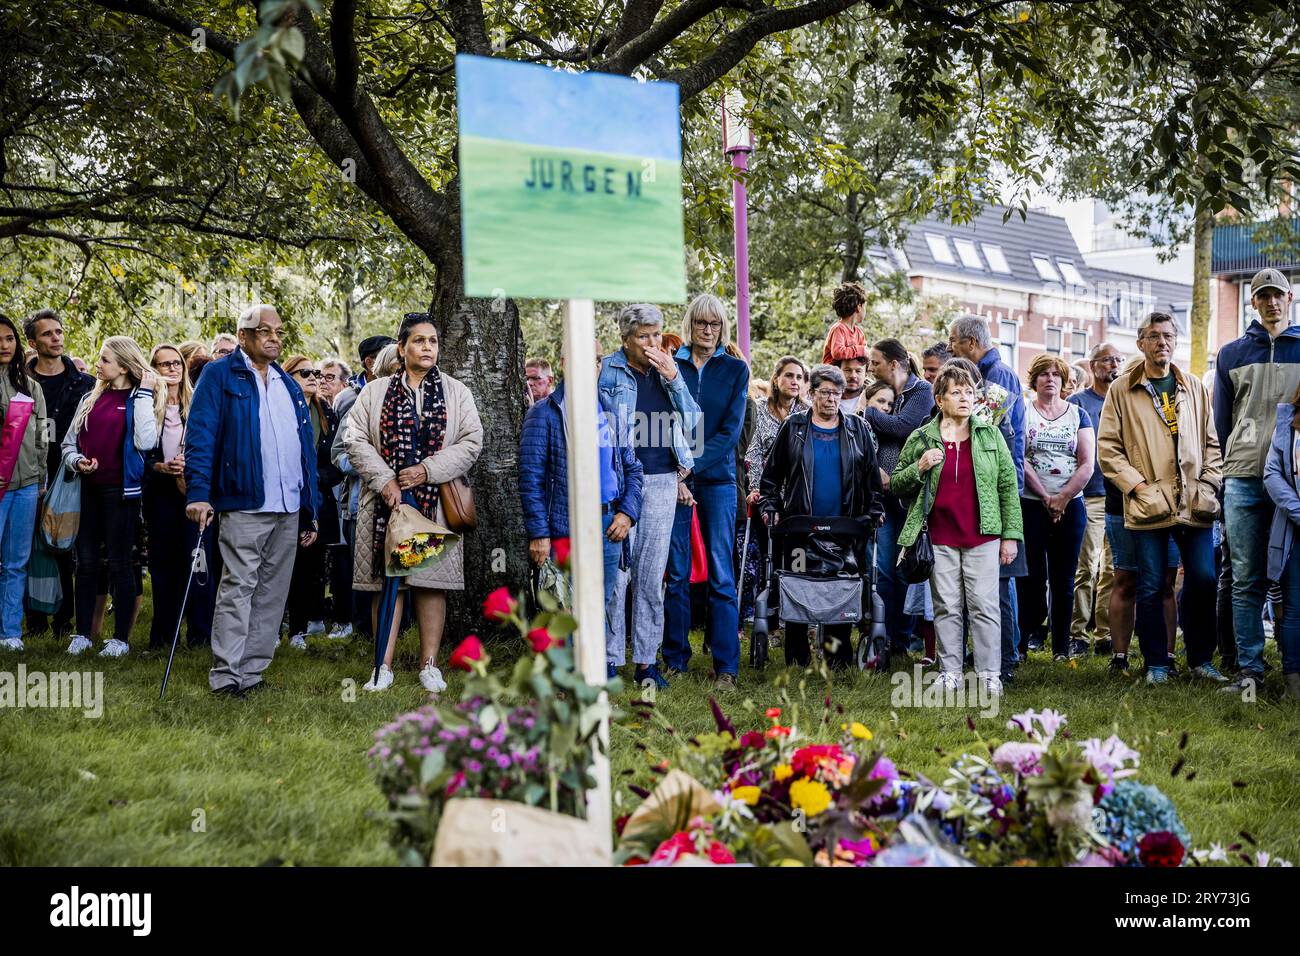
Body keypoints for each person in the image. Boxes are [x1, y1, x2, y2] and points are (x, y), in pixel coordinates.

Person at [185, 304, 320, 697]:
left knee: (273, 591)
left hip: (288, 504)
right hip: (244, 501)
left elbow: (304, 450)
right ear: (243, 336)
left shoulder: (287, 383)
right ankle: (226, 674)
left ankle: (253, 673)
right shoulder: (219, 374)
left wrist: (310, 507)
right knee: (238, 586)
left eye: (278, 331)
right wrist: (198, 493)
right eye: (264, 331)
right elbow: (201, 435)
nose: (274, 337)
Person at [342, 313, 482, 692]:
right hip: (387, 502)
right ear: (401, 348)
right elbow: (354, 440)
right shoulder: (375, 392)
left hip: (433, 499)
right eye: (419, 341)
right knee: (388, 581)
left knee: (428, 582)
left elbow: (471, 441)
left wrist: (426, 470)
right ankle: (382, 666)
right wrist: (385, 479)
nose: (427, 347)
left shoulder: (456, 392)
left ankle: (429, 664)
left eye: (433, 341)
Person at [1097, 311, 1226, 686]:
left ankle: (1201, 658)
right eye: (1153, 336)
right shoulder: (1122, 389)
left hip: (1193, 502)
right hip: (1149, 502)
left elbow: (1212, 444)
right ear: (1141, 343)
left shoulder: (1193, 388)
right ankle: (1157, 663)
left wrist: (1208, 484)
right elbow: (1109, 449)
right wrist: (1138, 488)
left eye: (1168, 335)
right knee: (1152, 584)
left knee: (1202, 578)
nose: (1162, 342)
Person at [892, 363, 1021, 695]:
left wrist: (1011, 536)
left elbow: (1008, 487)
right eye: (956, 392)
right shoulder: (922, 437)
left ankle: (988, 674)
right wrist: (919, 468)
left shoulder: (989, 434)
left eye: (969, 392)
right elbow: (897, 485)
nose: (965, 398)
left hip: (984, 535)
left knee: (985, 605)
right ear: (939, 399)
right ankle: (950, 671)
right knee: (946, 605)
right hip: (940, 535)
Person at [520, 343, 644, 678]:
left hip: (608, 525)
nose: (590, 365)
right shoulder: (545, 413)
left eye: (596, 359)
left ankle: (585, 680)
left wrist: (627, 513)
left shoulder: (609, 413)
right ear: (563, 363)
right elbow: (530, 479)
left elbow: (633, 469)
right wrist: (539, 533)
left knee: (596, 608)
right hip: (564, 525)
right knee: (563, 607)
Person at [758, 364, 884, 668]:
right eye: (824, 392)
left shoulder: (857, 429)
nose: (831, 399)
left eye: (836, 393)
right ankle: (797, 658)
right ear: (811, 392)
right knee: (800, 585)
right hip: (801, 528)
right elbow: (771, 477)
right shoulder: (794, 427)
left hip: (845, 529)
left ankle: (837, 658)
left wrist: (875, 509)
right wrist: (769, 505)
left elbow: (871, 479)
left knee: (840, 588)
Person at [601, 304, 700, 685]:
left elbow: (693, 422)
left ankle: (646, 662)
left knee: (649, 577)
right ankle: (609, 660)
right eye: (643, 336)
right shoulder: (608, 370)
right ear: (625, 340)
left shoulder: (669, 371)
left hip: (661, 480)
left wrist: (674, 378)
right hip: (620, 480)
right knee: (616, 575)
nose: (652, 343)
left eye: (656, 335)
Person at [1213, 268, 1300, 695]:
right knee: (1246, 577)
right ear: (1253, 301)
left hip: (1292, 481)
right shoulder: (1231, 354)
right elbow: (1221, 420)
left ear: (1289, 296)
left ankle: (1292, 673)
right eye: (1263, 296)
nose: (1272, 303)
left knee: (1290, 579)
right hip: (1244, 477)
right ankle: (1249, 672)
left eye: (1278, 295)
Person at [664, 294, 749, 691]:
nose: (708, 330)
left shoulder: (735, 370)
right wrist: (676, 474)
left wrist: (691, 465)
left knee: (721, 573)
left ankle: (727, 665)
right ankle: (675, 659)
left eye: (715, 324)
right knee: (677, 571)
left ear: (723, 327)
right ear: (690, 325)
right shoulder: (671, 363)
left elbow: (730, 432)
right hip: (675, 480)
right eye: (701, 323)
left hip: (717, 481)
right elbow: (662, 422)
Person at [61, 336, 161, 658]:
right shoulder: (91, 398)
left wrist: (144, 392)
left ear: (123, 364)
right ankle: (82, 635)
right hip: (86, 490)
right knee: (86, 562)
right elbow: (68, 444)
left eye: (104, 359)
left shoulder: (140, 397)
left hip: (122, 493)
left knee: (120, 563)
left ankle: (120, 640)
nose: (97, 364)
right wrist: (77, 461)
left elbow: (146, 441)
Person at [949, 314, 1027, 684]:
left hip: (995, 489)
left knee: (998, 580)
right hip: (982, 488)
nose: (949, 346)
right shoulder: (990, 373)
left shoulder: (997, 376)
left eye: (953, 340)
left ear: (970, 342)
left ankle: (1005, 660)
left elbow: (985, 431)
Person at [1018, 353, 1094, 661]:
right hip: (1032, 505)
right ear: (1034, 380)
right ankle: (1024, 642)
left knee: (1064, 580)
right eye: (1044, 374)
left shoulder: (1079, 415)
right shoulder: (1023, 412)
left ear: (1064, 382)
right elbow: (1018, 457)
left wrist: (1062, 498)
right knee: (1030, 578)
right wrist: (1046, 497)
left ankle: (1061, 648)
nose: (1050, 379)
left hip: (1070, 506)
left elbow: (1087, 463)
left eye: (1056, 375)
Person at [23, 308, 93, 639]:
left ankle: (65, 621)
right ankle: (34, 619)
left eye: (59, 331)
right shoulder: (18, 381)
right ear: (32, 341)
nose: (56, 338)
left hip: (69, 475)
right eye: (48, 333)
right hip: (27, 473)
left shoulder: (83, 384)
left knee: (64, 548)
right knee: (27, 548)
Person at [864, 338, 936, 655]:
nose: (871, 368)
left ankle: (902, 639)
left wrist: (868, 412)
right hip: (883, 500)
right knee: (883, 568)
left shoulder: (921, 392)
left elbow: (905, 427)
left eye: (875, 362)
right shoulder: (889, 395)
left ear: (894, 364)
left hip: (907, 496)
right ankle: (884, 633)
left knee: (905, 568)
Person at [142, 342, 215, 651]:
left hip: (192, 492)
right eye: (163, 364)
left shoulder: (196, 403)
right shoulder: (146, 405)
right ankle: (163, 636)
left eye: (176, 364)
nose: (171, 368)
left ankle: (200, 635)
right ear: (153, 369)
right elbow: (137, 452)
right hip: (160, 494)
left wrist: (191, 467)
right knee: (163, 566)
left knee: (198, 564)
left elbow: (210, 444)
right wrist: (158, 466)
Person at [330, 334, 396, 641]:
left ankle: (397, 632)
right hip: (363, 502)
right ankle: (365, 637)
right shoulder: (355, 401)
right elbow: (339, 456)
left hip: (401, 502)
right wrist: (376, 465)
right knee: (367, 576)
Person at [743, 356, 809, 642]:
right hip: (768, 498)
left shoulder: (807, 414)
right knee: (769, 559)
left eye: (799, 377)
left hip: (797, 501)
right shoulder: (760, 411)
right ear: (776, 379)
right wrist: (757, 488)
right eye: (789, 376)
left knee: (797, 561)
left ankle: (795, 620)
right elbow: (753, 454)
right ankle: (768, 620)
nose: (794, 381)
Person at [281, 356, 344, 648]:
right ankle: (270, 630)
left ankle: (298, 630)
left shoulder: (326, 412)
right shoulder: (280, 409)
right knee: (280, 568)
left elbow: (337, 460)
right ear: (288, 375)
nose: (314, 377)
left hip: (317, 500)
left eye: (316, 373)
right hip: (284, 498)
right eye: (305, 372)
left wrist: (315, 478)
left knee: (310, 568)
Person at [1068, 343, 1122, 657]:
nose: (1113, 364)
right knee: (1085, 567)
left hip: (1120, 495)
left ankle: (1104, 634)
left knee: (1114, 569)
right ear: (1093, 365)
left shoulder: (1127, 399)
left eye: (1118, 359)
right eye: (1107, 359)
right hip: (1088, 495)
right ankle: (1077, 634)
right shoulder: (1078, 403)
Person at [0, 314, 47, 652]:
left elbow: (45, 433)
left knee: (16, 562)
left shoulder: (30, 386)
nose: (3, 345)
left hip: (27, 485)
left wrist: (40, 473)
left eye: (9, 338)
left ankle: (10, 630)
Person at [1261, 384, 1300, 701]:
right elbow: (1272, 473)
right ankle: (1293, 684)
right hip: (1294, 530)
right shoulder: (1288, 423)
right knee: (1294, 609)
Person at [821, 281, 869, 364]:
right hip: (831, 374)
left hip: (850, 373)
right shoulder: (839, 329)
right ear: (859, 307)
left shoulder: (859, 333)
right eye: (865, 307)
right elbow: (837, 352)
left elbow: (865, 355)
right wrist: (861, 350)